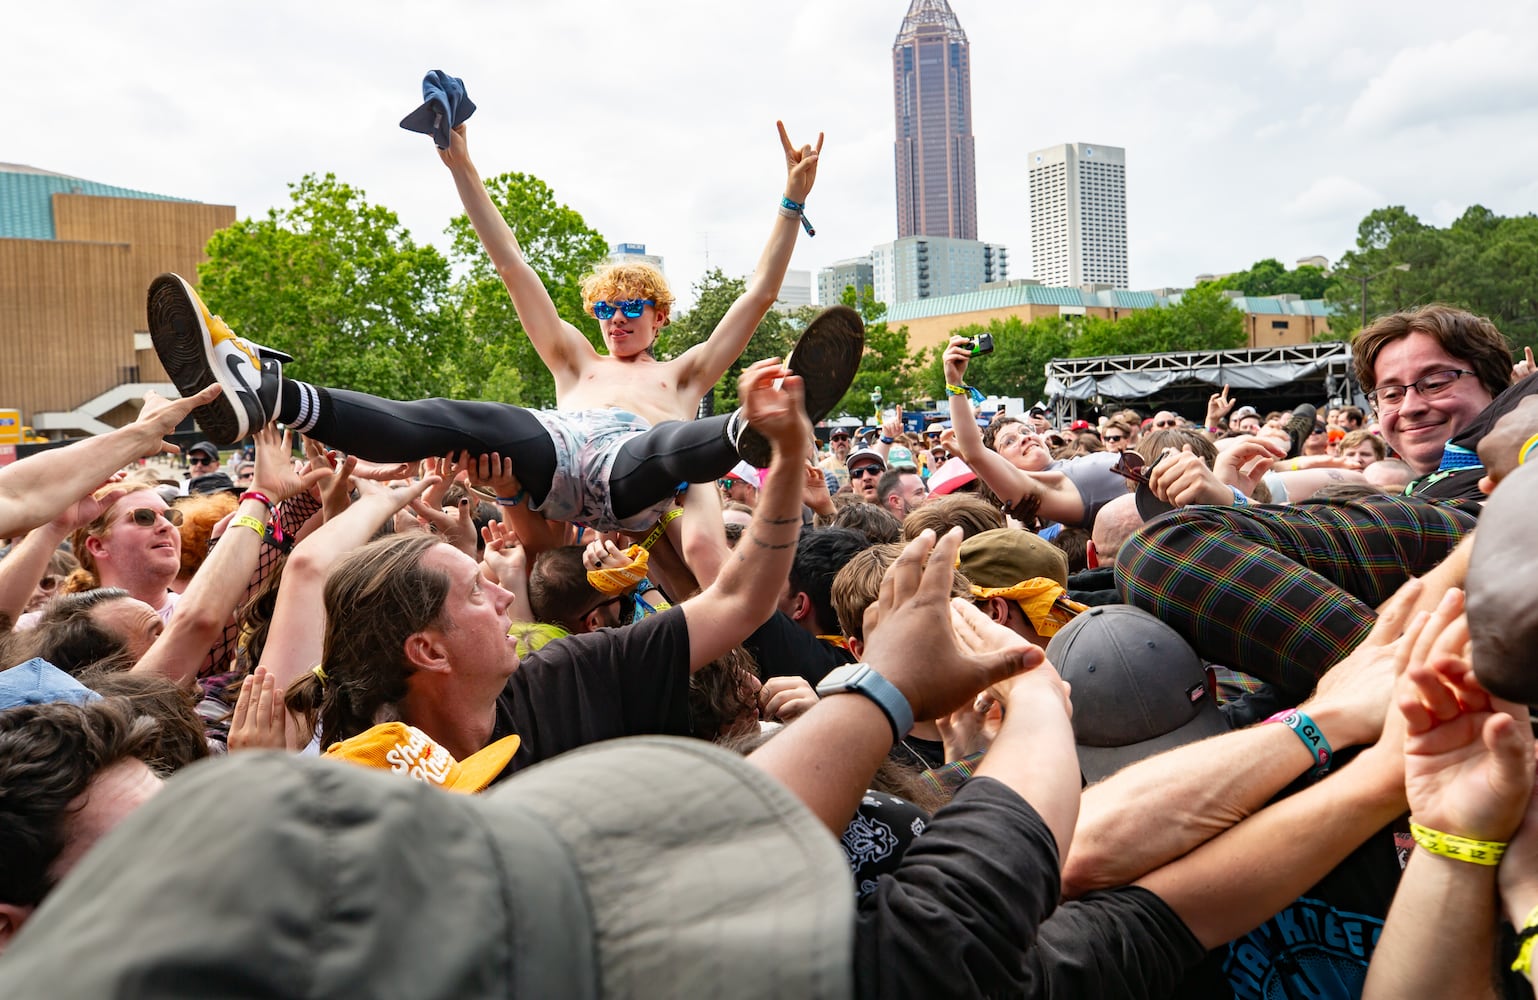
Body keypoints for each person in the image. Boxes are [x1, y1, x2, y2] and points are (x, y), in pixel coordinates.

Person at [281, 361, 816, 770]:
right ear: (427, 650)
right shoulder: (373, 778)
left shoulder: (568, 676)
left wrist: (788, 458)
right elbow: (305, 569)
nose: (506, 596)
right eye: (475, 591)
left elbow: (739, 599)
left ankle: (276, 394)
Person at [147, 274, 862, 534]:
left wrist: (793, 200)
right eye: (605, 307)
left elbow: (760, 292)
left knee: (664, 451)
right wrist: (459, 161)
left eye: (632, 305)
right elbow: (512, 265)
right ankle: (267, 396)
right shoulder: (573, 361)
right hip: (557, 454)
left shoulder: (683, 372)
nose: (617, 317)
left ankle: (750, 427)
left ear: (660, 315)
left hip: (636, 477)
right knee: (457, 416)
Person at [942, 337, 1124, 529]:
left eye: (1025, 430)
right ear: (998, 461)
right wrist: (954, 384)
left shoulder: (1069, 464)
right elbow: (975, 453)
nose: (1024, 437)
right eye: (1009, 441)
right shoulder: (1047, 495)